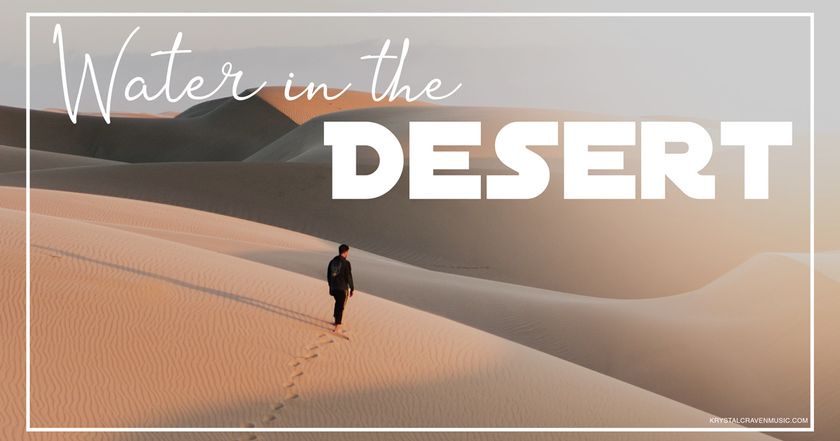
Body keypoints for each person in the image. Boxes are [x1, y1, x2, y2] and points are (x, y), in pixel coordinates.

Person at [327, 244, 354, 333]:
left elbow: (328, 275)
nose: (348, 254)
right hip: (342, 288)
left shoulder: (332, 261)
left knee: (338, 302)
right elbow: (349, 276)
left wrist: (330, 286)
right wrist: (352, 288)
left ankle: (336, 320)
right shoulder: (346, 263)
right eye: (347, 252)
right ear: (345, 252)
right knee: (341, 306)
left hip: (334, 288)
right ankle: (338, 325)